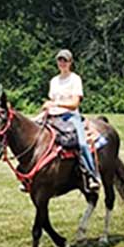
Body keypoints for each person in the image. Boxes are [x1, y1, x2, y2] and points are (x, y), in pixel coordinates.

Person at [41, 49, 100, 193]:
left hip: (70, 116)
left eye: (65, 60)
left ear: (70, 62)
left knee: (82, 144)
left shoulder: (75, 79)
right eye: (60, 60)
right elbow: (52, 99)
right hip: (53, 116)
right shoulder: (54, 81)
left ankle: (92, 175)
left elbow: (74, 103)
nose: (62, 63)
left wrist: (56, 104)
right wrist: (47, 106)